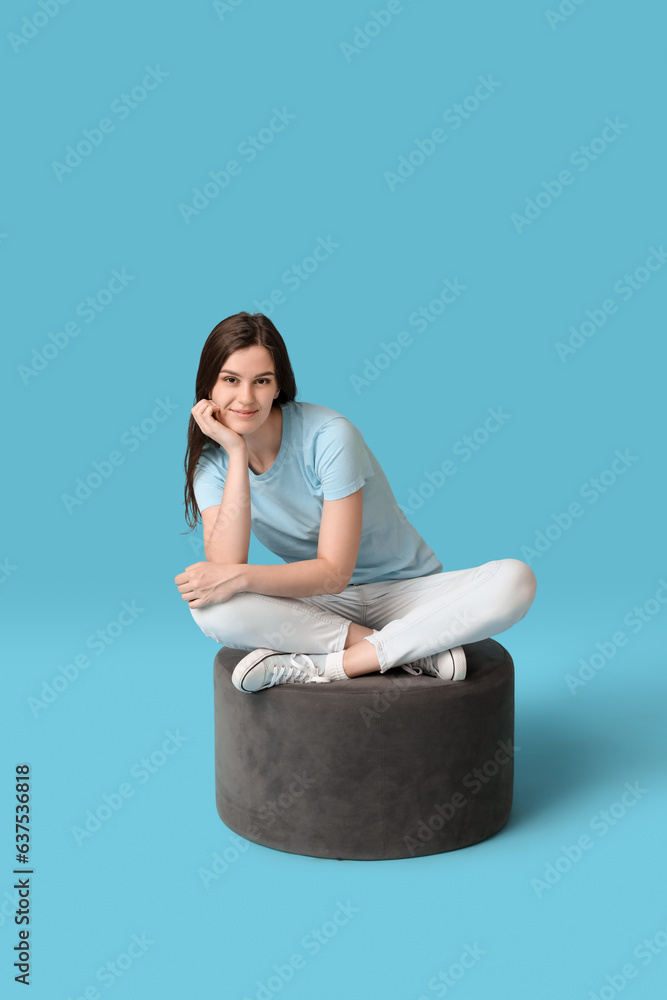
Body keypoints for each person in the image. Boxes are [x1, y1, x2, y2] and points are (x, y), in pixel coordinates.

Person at [174, 312, 537, 693]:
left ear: (278, 386)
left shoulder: (330, 435)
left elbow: (334, 572)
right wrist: (235, 452)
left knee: (515, 580)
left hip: (407, 593)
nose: (246, 398)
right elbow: (224, 571)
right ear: (208, 387)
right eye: (231, 380)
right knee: (211, 609)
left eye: (261, 381)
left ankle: (331, 664)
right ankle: (411, 649)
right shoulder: (213, 465)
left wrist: (243, 577)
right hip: (323, 605)